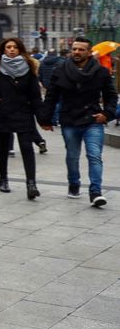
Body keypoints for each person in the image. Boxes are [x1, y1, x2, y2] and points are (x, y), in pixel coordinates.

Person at [41, 36, 117, 207]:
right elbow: (51, 97)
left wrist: (107, 113)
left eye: (81, 49)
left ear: (89, 53)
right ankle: (74, 184)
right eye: (74, 49)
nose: (76, 52)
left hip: (93, 120)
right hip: (69, 120)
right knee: (72, 157)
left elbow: (111, 97)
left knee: (94, 156)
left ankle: (95, 191)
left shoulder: (101, 72)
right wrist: (45, 119)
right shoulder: (60, 70)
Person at [0, 38, 43, 199]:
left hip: (23, 112)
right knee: (3, 148)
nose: (12, 50)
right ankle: (3, 179)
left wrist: (42, 117)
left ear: (20, 50)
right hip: (1, 112)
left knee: (27, 148)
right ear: (3, 49)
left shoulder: (29, 67)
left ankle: (31, 184)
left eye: (15, 47)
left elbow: (35, 95)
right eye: (8, 47)